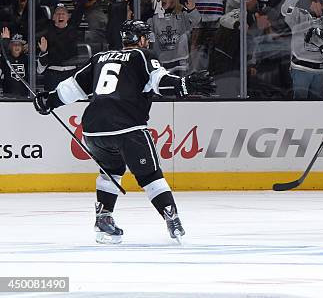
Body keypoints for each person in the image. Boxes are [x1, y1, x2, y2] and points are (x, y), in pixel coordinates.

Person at [32, 20, 216, 244]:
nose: (148, 41)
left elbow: (72, 88)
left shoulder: (100, 57)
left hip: (93, 129)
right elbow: (160, 82)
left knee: (111, 170)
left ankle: (103, 218)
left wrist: (48, 101)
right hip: (128, 127)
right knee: (149, 175)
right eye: (145, 37)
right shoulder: (142, 56)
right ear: (139, 39)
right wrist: (184, 85)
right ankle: (172, 218)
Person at [0, 28, 28, 98]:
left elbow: (39, 70)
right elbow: (4, 56)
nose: (17, 46)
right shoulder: (5, 60)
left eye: (19, 44)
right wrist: (5, 41)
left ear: (22, 46)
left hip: (24, 97)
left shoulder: (27, 59)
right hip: (7, 97)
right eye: (14, 44)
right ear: (10, 46)